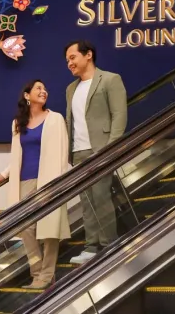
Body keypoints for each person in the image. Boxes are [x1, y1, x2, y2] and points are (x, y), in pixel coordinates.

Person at [0, 80, 70, 289]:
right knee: (26, 228)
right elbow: (17, 154)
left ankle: (46, 275)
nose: (44, 91)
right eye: (38, 89)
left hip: (49, 180)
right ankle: (37, 272)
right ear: (27, 95)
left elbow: (62, 152)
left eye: (45, 89)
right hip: (24, 181)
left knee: (50, 230)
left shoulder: (55, 119)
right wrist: (4, 174)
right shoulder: (18, 123)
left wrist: (62, 181)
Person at [63, 40, 127, 265]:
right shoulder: (71, 89)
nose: (69, 63)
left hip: (100, 149)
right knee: (87, 202)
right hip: (78, 151)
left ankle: (110, 245)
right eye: (67, 60)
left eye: (72, 57)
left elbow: (119, 115)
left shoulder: (110, 79)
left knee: (101, 197)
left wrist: (111, 148)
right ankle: (91, 247)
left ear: (88, 54)